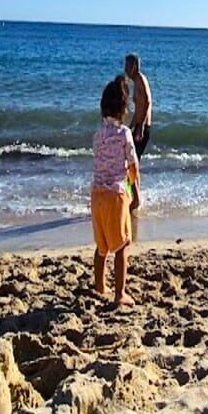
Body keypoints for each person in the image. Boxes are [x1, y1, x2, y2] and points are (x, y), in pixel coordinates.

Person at [91, 75, 139, 308]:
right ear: (124, 108)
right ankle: (120, 293)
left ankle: (99, 285)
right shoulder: (124, 134)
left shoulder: (98, 135)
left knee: (102, 246)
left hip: (97, 194)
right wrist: (134, 190)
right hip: (116, 195)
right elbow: (132, 166)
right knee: (122, 245)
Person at [123, 52, 152, 177]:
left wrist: (141, 127)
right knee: (132, 161)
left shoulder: (140, 79)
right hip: (139, 125)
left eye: (127, 66)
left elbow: (147, 102)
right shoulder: (136, 82)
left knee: (133, 161)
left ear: (134, 66)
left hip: (143, 127)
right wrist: (130, 127)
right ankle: (132, 191)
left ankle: (135, 193)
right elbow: (139, 109)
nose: (125, 69)